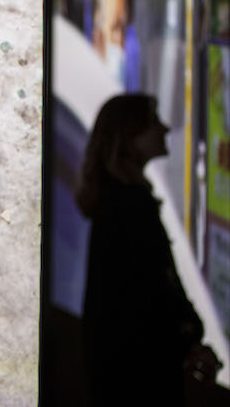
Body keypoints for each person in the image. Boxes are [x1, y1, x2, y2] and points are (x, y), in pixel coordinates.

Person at [77, 94, 222, 406]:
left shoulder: (116, 203)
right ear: (130, 138)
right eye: (153, 122)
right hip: (141, 380)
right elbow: (153, 292)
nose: (165, 128)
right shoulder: (130, 207)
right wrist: (189, 339)